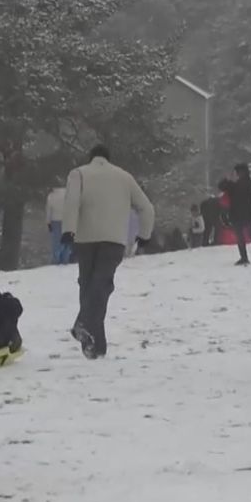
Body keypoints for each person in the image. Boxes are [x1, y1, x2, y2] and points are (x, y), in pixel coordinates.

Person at [61, 145, 155, 360]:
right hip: (114, 240)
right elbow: (147, 207)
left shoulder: (79, 174)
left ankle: (86, 327)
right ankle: (96, 344)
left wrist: (68, 230)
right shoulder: (124, 177)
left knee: (88, 285)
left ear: (91, 157)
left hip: (85, 239)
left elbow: (72, 201)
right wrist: (144, 235)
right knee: (101, 284)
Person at [217, 163, 251, 265]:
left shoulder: (233, 186)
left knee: (241, 238)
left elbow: (221, 186)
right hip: (249, 215)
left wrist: (228, 180)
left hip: (237, 216)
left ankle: (244, 258)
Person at [45, 185, 69, 264]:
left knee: (56, 241)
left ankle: (56, 259)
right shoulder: (68, 194)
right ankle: (65, 258)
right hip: (67, 220)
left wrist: (48, 222)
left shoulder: (51, 196)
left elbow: (49, 211)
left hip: (55, 220)